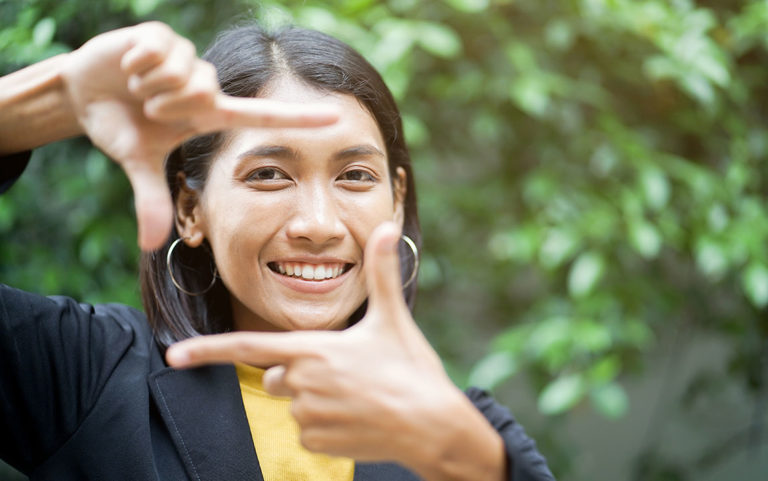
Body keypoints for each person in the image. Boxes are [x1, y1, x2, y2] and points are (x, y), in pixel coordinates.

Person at [0, 21, 555, 481]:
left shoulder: (460, 427)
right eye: (268, 174)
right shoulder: (86, 373)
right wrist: (41, 103)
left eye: (356, 175)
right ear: (190, 210)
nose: (318, 224)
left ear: (396, 199)